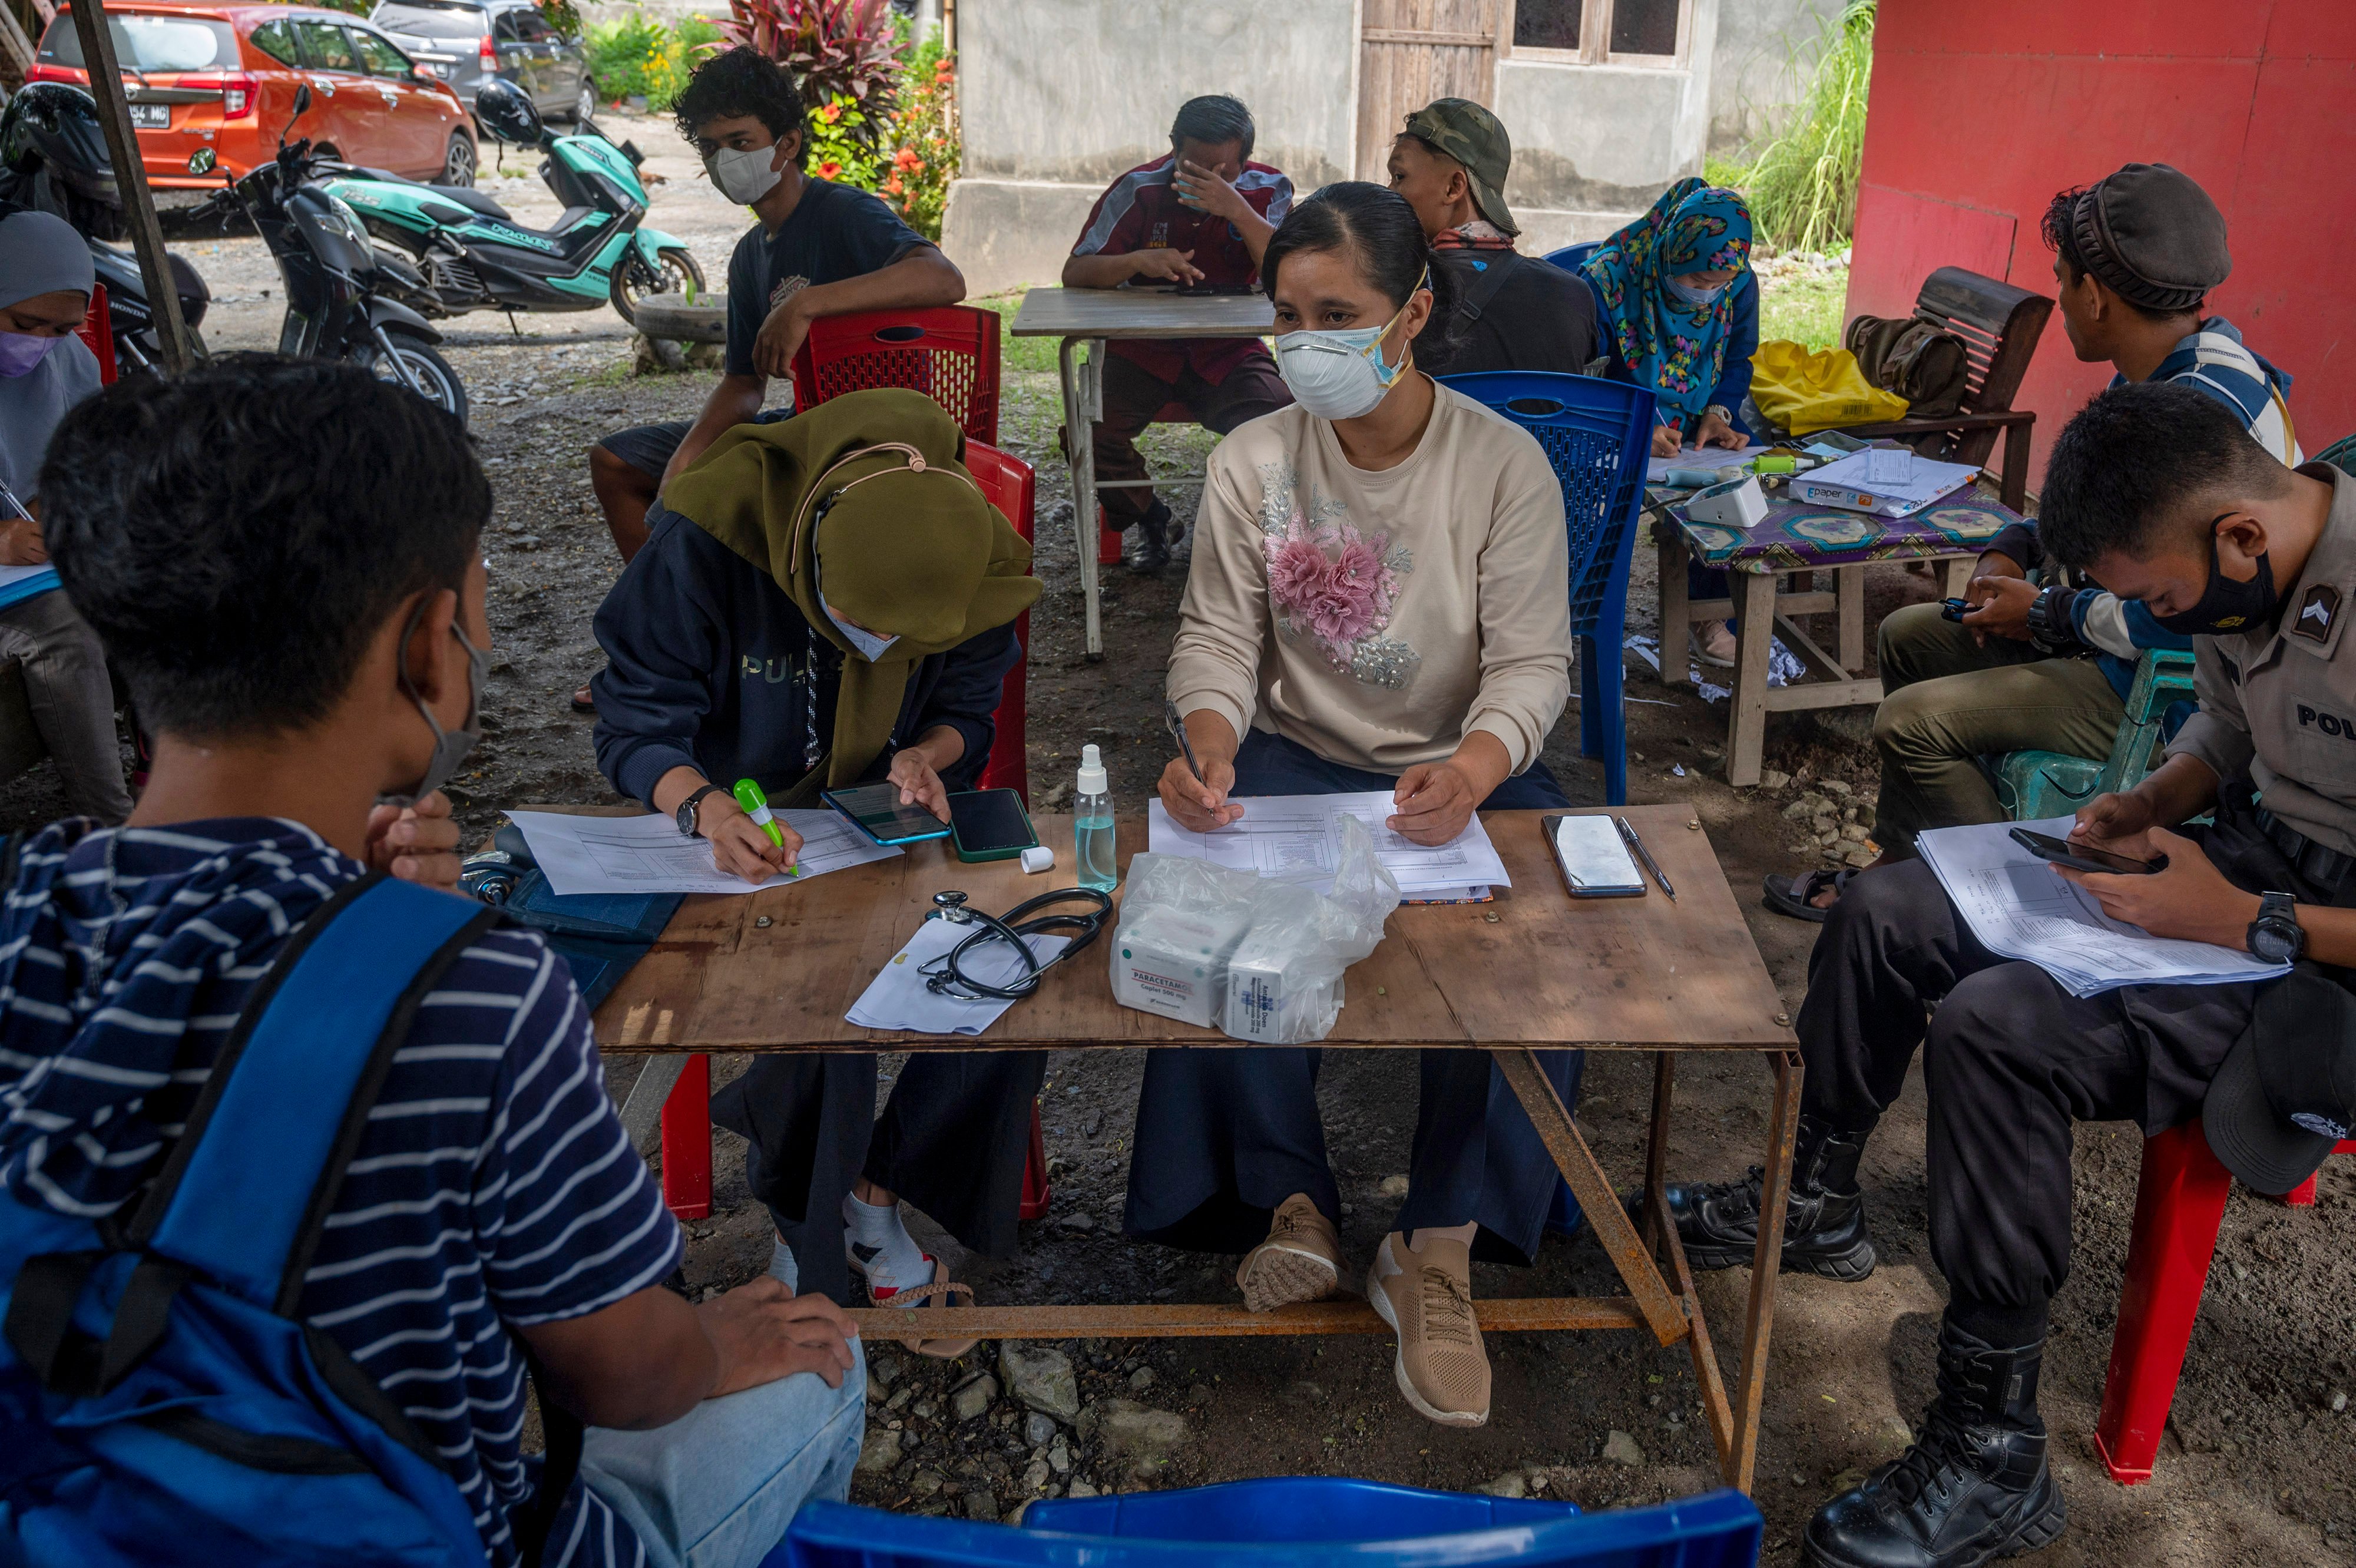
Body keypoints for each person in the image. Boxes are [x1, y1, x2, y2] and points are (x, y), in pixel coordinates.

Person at [18, 355, 866, 1568]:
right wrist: (719, 1344)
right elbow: (625, 1370)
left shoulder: (19, 912)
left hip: (67, 1501)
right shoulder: (470, 989)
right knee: (819, 1365)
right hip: (410, 1532)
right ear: (429, 645)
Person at [1662, 380, 2356, 1568]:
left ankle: (1989, 1447)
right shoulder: (2251, 565)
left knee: (1997, 1025)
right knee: (1887, 905)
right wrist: (2147, 798)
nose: (2160, 619)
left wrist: (2243, 914)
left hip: (2316, 955)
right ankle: (1817, 1196)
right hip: (2235, 867)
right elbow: (2226, 730)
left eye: (2159, 599)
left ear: (2238, 534)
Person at [1144, 182, 1577, 1430]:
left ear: (1412, 314)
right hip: (1293, 753)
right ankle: (1293, 1203)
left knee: (1523, 954)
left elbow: (1531, 663)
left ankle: (1433, 1248)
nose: (1304, 341)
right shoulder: (1249, 461)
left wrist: (1480, 768)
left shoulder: (1500, 464)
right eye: (1287, 314)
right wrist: (1211, 746)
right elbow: (1216, 639)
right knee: (1205, 912)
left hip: (1461, 763)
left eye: (1338, 312)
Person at [593, 386, 1041, 1332]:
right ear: (811, 546)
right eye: (854, 621)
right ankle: (818, 1222)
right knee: (826, 989)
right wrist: (705, 807)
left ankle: (872, 1188)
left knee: (1025, 958)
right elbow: (635, 724)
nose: (878, 652)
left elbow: (966, 710)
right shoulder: (709, 538)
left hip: (879, 822)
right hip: (733, 830)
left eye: (902, 642)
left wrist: (928, 756)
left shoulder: (971, 555)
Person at [1766, 163, 2297, 922]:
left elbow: (2177, 611)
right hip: (2106, 641)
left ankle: (1995, 905)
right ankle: (1904, 862)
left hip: (2157, 682)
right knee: (1909, 636)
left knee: (1910, 723)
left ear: (2095, 295)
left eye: (2059, 278)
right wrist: (2011, 547)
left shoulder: (2197, 417)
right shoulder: (2163, 370)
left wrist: (2047, 613)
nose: (2060, 297)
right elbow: (2088, 520)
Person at [579, 47, 965, 709]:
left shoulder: (841, 214)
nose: (726, 160)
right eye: (711, 148)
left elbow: (943, 278)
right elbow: (742, 382)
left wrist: (808, 302)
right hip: (799, 431)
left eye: (741, 142)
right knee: (619, 465)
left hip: (873, 440)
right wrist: (682, 464)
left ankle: (667, 662)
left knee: (714, 497)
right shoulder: (749, 256)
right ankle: (678, 647)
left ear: (785, 144)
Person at [1062, 94, 1295, 573]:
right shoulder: (1139, 189)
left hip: (1228, 352)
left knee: (1285, 424)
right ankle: (1153, 517)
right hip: (1143, 351)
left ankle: (1251, 537)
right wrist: (1136, 262)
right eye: (1192, 167)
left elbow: (1288, 275)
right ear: (1173, 150)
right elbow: (1076, 270)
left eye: (1223, 171)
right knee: (1088, 433)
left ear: (1245, 161)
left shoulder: (1269, 190)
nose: (1206, 180)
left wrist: (1236, 210)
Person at [1581, 180, 1759, 668]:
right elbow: (1582, 372)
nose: (1704, 297)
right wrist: (1632, 426)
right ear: (1669, 254)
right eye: (1695, 281)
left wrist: (1719, 413)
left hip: (1700, 419)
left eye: (1714, 287)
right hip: (1614, 418)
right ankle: (1568, 610)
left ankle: (1712, 613)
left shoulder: (1739, 281)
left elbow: (1740, 357)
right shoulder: (1608, 280)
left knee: (1745, 484)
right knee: (1571, 481)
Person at [0, 206, 132, 823]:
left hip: (41, 563)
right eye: (26, 323)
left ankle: (179, 776)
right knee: (64, 627)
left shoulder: (65, 360)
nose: (41, 345)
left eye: (63, 329)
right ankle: (108, 824)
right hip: (18, 583)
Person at [1384, 98, 1596, 377]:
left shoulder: (1394, 291)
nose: (1389, 191)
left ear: (1454, 187)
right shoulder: (1574, 294)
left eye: (1399, 176)